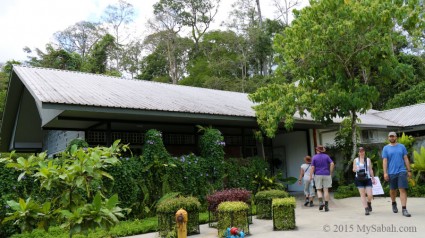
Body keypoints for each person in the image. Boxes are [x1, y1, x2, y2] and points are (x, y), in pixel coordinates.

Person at [382, 131, 412, 217]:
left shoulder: (402, 147)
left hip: (402, 171)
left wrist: (409, 170)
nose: (392, 138)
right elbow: (384, 161)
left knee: (402, 189)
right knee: (392, 190)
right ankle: (393, 203)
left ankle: (404, 209)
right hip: (391, 172)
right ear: (388, 138)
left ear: (396, 137)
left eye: (393, 136)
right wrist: (385, 173)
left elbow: (406, 158)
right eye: (390, 137)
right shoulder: (386, 148)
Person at [310, 145, 334, 212]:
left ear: (317, 150)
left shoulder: (314, 157)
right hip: (326, 174)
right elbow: (332, 163)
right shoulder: (326, 156)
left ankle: (321, 203)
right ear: (322, 150)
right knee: (326, 190)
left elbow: (312, 167)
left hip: (318, 174)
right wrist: (330, 172)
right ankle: (326, 207)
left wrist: (310, 175)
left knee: (318, 189)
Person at [353, 147, 376, 215]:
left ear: (364, 152)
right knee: (362, 194)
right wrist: (356, 169)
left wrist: (373, 178)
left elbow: (370, 169)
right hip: (359, 178)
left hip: (367, 178)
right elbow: (353, 169)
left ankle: (369, 202)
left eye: (362, 151)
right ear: (358, 153)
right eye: (360, 151)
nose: (361, 153)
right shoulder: (356, 160)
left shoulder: (368, 159)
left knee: (370, 195)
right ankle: (366, 209)